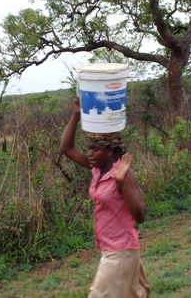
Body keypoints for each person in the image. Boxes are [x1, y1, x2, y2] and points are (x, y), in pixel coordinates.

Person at [60, 97, 151, 298]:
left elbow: (140, 216)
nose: (90, 153)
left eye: (96, 149)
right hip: (111, 250)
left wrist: (122, 182)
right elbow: (66, 148)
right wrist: (76, 114)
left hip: (120, 252)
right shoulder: (96, 167)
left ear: (110, 151)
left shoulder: (122, 173)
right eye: (89, 148)